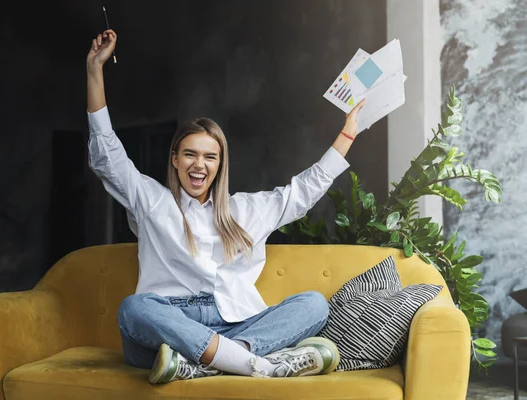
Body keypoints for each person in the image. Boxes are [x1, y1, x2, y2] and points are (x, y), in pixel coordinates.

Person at [86, 29, 366, 384]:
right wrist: (94, 69)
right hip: (170, 326)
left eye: (209, 156)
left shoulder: (248, 210)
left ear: (220, 164)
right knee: (134, 309)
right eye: (189, 154)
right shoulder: (151, 200)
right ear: (175, 159)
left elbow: (303, 192)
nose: (199, 165)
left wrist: (347, 134)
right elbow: (107, 156)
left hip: (236, 321)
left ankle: (208, 362)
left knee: (313, 304)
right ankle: (251, 363)